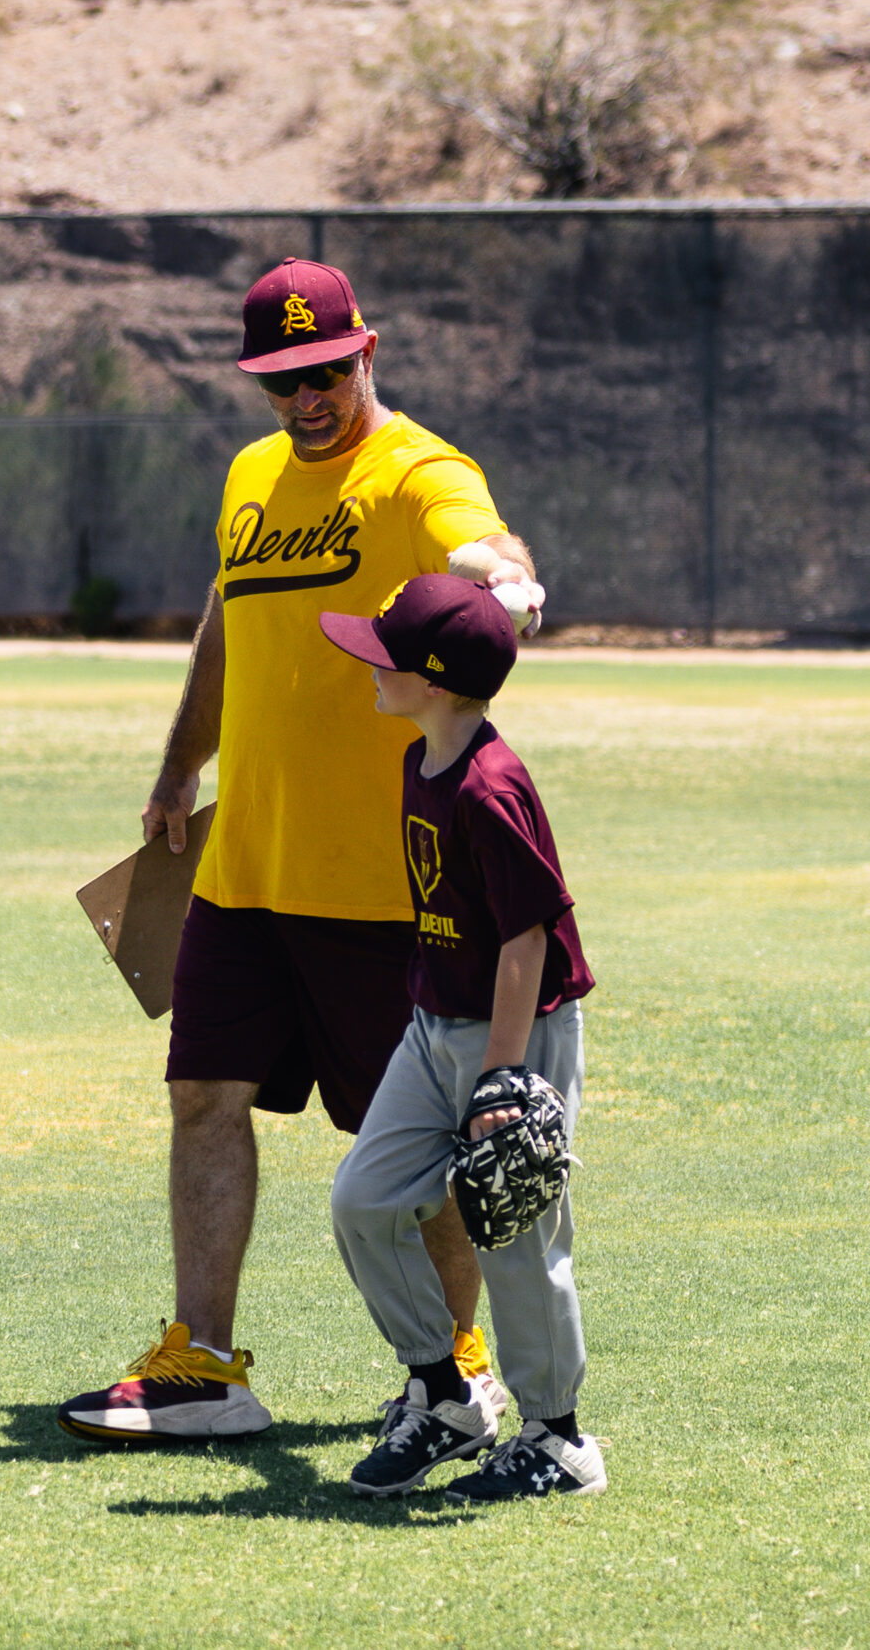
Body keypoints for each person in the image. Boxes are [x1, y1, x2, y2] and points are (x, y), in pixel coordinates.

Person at [58, 259, 541, 1443]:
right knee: (200, 1099)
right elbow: (227, 623)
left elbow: (475, 542)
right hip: (243, 872)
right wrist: (181, 766)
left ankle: (457, 1367)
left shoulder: (418, 469)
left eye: (325, 370)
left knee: (411, 1143)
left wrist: (501, 575)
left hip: (384, 885)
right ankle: (204, 1370)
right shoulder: (250, 474)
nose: (305, 396)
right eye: (281, 379)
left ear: (365, 353)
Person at [319, 574, 603, 1500]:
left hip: (517, 1034)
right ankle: (443, 1392)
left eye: (384, 652)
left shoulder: (492, 785)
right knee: (365, 1197)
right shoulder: (421, 758)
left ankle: (558, 1438)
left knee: (514, 1231)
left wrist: (501, 1077)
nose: (369, 661)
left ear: (435, 681)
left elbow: (526, 937)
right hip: (435, 1023)